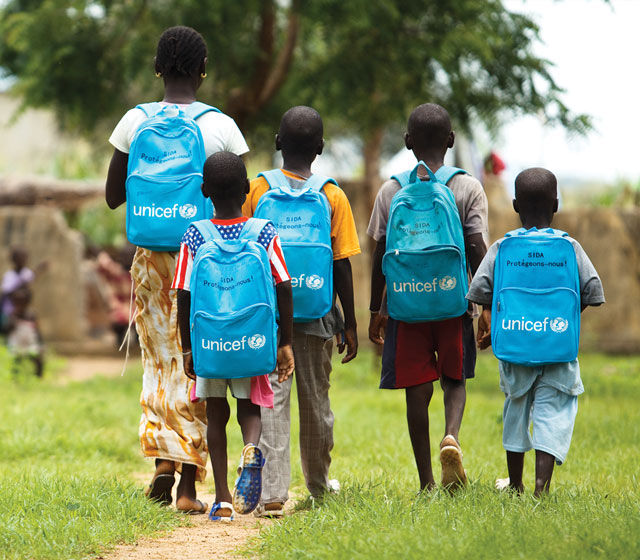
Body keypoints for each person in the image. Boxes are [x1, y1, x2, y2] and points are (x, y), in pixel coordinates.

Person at [105, 26, 249, 513]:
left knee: (160, 360)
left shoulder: (134, 121)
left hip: (150, 260)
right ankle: (189, 483)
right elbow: (239, 200)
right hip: (205, 257)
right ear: (204, 71)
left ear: (156, 67)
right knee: (197, 355)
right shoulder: (221, 127)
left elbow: (112, 196)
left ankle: (162, 461)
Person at [243, 106, 361, 517]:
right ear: (321, 148)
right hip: (317, 314)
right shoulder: (332, 195)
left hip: (267, 316)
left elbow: (242, 250)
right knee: (316, 402)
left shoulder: (257, 190)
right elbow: (341, 263)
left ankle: (273, 492)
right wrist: (351, 322)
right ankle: (318, 486)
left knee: (272, 400)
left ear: (277, 142)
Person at [367, 103, 488, 492]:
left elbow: (380, 255)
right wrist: (484, 304)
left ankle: (426, 482)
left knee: (416, 389)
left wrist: (376, 309)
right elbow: (475, 247)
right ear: (451, 141)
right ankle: (451, 435)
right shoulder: (468, 187)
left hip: (405, 305)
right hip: (453, 304)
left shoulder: (392, 189)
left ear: (407, 142)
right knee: (455, 379)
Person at [467, 167, 605, 496]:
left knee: (516, 409)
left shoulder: (503, 247)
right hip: (558, 348)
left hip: (515, 343)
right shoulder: (570, 248)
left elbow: (479, 290)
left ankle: (515, 484)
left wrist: (488, 318)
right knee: (553, 413)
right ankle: (541, 488)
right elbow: (593, 291)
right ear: (556, 205)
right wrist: (564, 318)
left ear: (515, 206)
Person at [173, 152, 294, 521]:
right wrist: (284, 341)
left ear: (204, 190)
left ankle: (223, 499)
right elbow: (284, 284)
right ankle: (252, 448)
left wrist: (188, 347)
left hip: (210, 341)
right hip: (251, 339)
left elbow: (183, 292)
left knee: (215, 415)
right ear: (246, 189)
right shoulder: (263, 231)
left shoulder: (194, 235)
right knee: (249, 408)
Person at [6, 286, 44, 378]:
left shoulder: (31, 315)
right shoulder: (12, 315)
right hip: (16, 344)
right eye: (17, 302)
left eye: (22, 302)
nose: (20, 305)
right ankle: (14, 378)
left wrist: (41, 344)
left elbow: (37, 332)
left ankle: (38, 377)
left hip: (30, 343)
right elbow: (7, 331)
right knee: (16, 360)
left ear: (27, 302)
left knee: (38, 358)